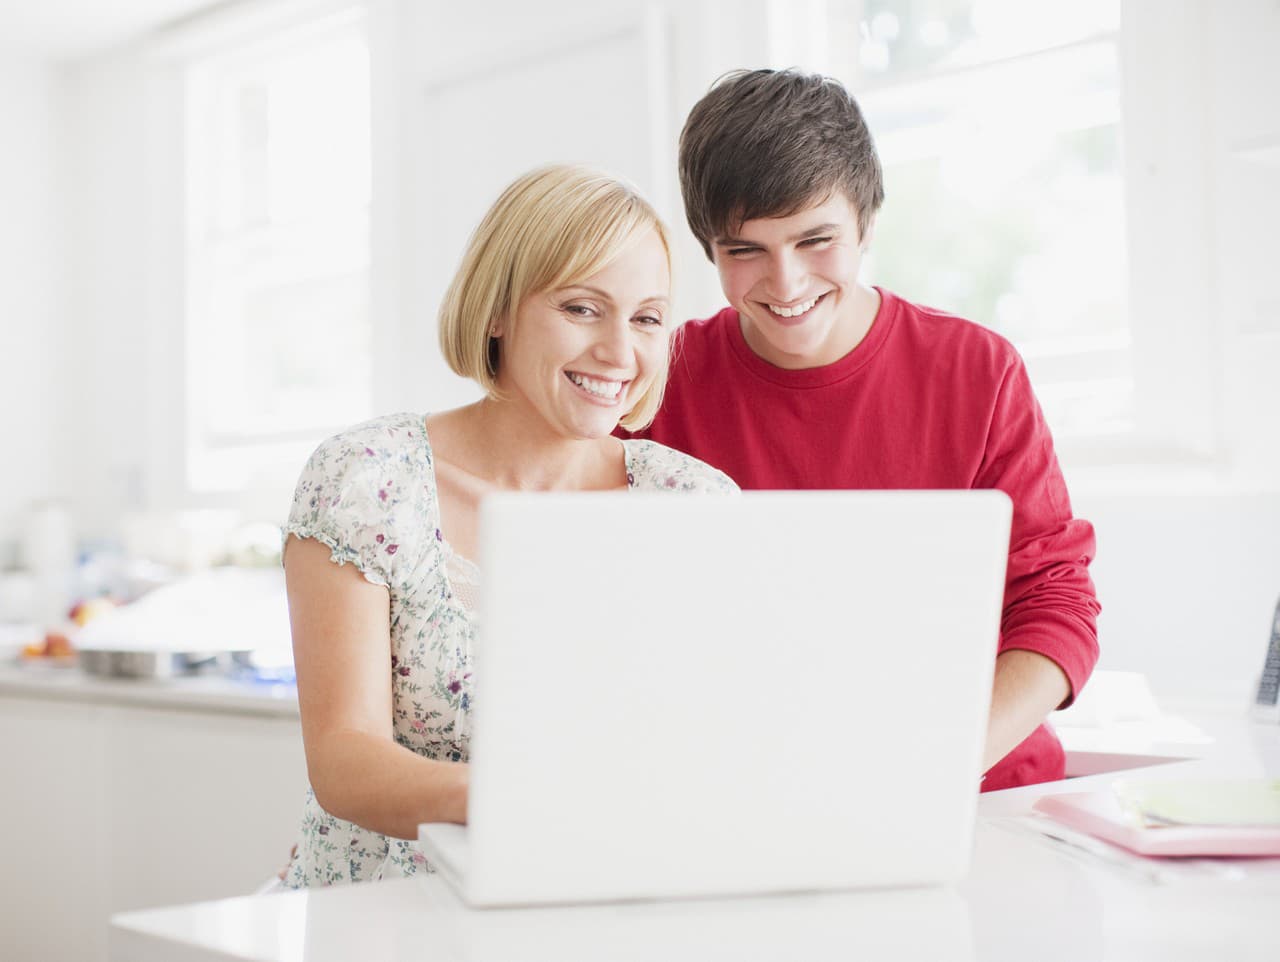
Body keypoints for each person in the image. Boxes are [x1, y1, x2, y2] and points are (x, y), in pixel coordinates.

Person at [630, 69, 1100, 791]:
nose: (786, 283)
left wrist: (931, 771)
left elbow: (1056, 603)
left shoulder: (979, 370)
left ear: (868, 222)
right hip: (755, 789)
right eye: (745, 251)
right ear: (707, 248)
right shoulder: (659, 382)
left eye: (816, 240)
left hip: (978, 790)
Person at [280, 165, 735, 887]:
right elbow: (344, 758)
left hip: (600, 903)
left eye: (647, 318)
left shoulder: (693, 504)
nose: (620, 352)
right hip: (383, 914)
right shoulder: (368, 479)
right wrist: (519, 801)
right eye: (583, 308)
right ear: (497, 310)